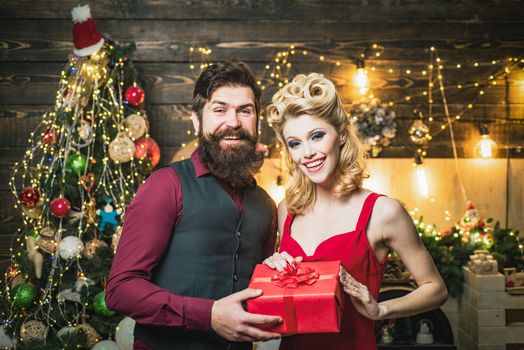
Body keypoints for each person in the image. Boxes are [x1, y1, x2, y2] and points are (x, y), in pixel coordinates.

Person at [106, 61, 283, 350]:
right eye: (220, 109)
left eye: (245, 110)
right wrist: (208, 315)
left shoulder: (266, 204)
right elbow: (120, 290)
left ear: (256, 121)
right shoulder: (166, 185)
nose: (234, 122)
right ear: (197, 121)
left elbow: (260, 293)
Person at [263, 73, 448, 349]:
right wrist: (273, 275)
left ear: (340, 135)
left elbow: (436, 289)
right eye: (295, 143)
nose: (308, 152)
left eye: (317, 136)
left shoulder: (383, 212)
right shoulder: (286, 210)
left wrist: (381, 310)